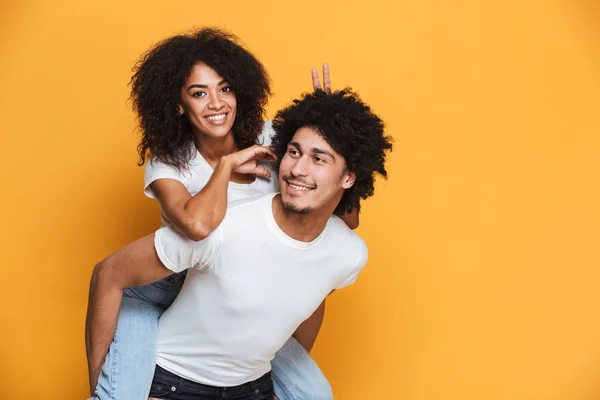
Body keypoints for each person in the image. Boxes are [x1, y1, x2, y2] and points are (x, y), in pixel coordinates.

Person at [85, 27, 355, 400]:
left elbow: (338, 219)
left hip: (237, 295)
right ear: (178, 104)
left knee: (312, 393)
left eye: (225, 89)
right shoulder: (169, 164)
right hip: (167, 287)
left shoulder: (274, 138)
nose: (216, 103)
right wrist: (225, 167)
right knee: (119, 395)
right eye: (199, 93)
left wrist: (335, 139)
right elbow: (197, 225)